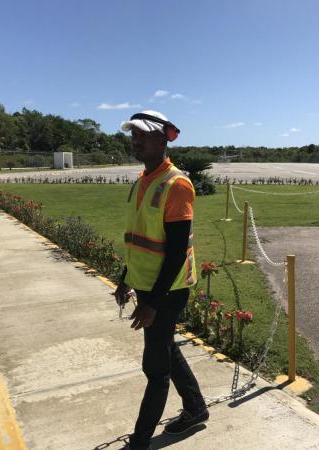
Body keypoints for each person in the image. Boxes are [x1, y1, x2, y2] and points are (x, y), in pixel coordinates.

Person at [115, 111, 209, 450]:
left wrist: (153, 302)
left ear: (162, 139)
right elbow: (138, 237)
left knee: (155, 370)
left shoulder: (177, 184)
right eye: (133, 135)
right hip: (147, 285)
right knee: (165, 346)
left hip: (168, 290)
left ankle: (139, 442)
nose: (135, 141)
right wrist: (124, 278)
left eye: (142, 135)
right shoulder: (142, 180)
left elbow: (175, 253)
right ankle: (196, 409)